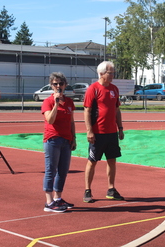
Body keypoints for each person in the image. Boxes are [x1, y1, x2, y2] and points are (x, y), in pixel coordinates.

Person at [83, 61, 124, 203]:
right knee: (92, 161)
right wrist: (89, 131)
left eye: (113, 72)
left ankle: (111, 189)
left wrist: (120, 128)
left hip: (112, 133)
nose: (113, 75)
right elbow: (87, 111)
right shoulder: (92, 89)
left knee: (112, 160)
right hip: (97, 133)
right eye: (110, 73)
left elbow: (117, 110)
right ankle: (87, 190)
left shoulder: (115, 89)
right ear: (101, 74)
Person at [42, 72, 77, 212]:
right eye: (55, 84)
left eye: (60, 84)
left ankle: (58, 197)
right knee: (51, 170)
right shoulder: (48, 101)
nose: (58, 86)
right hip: (53, 139)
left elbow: (72, 122)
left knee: (63, 171)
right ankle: (49, 202)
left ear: (65, 85)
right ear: (51, 86)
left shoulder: (69, 102)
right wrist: (56, 104)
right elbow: (50, 119)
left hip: (66, 140)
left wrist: (73, 138)